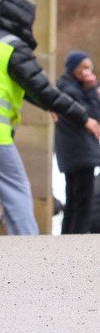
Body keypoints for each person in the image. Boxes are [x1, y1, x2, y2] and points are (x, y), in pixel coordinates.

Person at [0, 0, 100, 236]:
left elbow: (13, 84)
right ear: (23, 18)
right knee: (17, 188)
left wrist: (47, 105)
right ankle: (30, 249)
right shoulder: (13, 47)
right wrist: (83, 117)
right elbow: (43, 89)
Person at [54, 51, 100, 234]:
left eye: (90, 67)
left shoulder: (63, 88)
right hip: (81, 154)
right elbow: (92, 116)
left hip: (71, 154)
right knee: (82, 204)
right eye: (85, 67)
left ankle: (67, 240)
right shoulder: (73, 90)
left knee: (73, 201)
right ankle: (76, 244)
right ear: (74, 68)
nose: (88, 71)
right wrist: (91, 89)